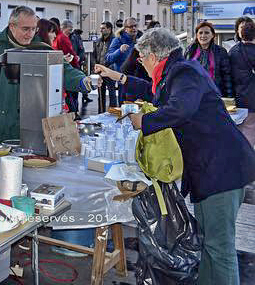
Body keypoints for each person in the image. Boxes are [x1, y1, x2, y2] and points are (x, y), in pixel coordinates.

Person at [96, 28, 255, 285]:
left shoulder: (184, 72)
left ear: (154, 56)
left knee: (219, 247)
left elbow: (180, 108)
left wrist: (144, 121)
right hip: (210, 171)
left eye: (142, 57)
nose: (140, 62)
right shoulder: (176, 72)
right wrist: (120, 78)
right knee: (208, 243)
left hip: (222, 170)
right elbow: (156, 93)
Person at [0, 6, 92, 153]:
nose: (30, 34)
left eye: (33, 29)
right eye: (25, 29)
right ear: (12, 26)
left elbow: (65, 70)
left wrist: (83, 81)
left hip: (20, 133)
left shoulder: (41, 48)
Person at [184, 22, 233, 98]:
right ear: (197, 35)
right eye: (200, 33)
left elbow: (227, 76)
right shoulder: (190, 51)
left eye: (207, 33)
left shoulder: (220, 51)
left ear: (212, 35)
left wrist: (229, 96)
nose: (203, 35)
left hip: (213, 94)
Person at [229, 21, 255, 146]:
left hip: (239, 98)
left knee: (240, 131)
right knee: (250, 130)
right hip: (252, 99)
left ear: (240, 34)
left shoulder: (233, 51)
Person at [106, 17, 141, 102]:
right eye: (131, 26)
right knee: (125, 109)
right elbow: (108, 58)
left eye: (135, 26)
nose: (134, 28)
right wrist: (119, 51)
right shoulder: (118, 40)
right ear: (125, 29)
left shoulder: (141, 40)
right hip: (124, 80)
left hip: (139, 80)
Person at [94, 22, 117, 109]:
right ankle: (101, 111)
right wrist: (95, 65)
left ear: (109, 29)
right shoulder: (98, 41)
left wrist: (106, 67)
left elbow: (114, 56)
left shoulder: (115, 41)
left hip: (110, 70)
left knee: (112, 93)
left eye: (103, 28)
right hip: (100, 70)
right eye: (101, 28)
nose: (101, 30)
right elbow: (94, 54)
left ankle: (113, 111)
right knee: (100, 92)